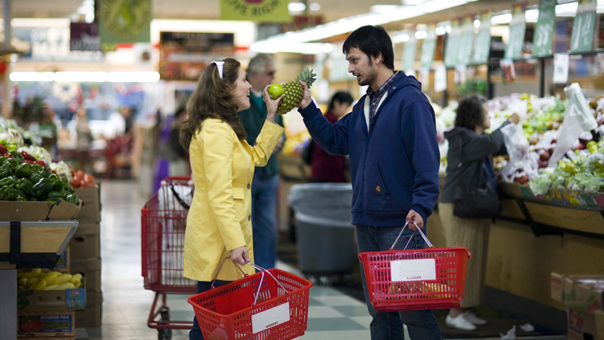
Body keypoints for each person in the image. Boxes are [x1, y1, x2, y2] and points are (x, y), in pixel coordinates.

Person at [296, 25, 443, 339]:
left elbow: (427, 160)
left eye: (355, 59)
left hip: (402, 224)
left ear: (377, 56)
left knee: (413, 310)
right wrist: (308, 108)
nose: (350, 68)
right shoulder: (364, 106)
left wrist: (422, 205)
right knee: (380, 312)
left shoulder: (411, 102)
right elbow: (335, 141)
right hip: (367, 220)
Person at [180, 58, 284, 340]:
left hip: (227, 244)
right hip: (220, 245)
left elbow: (258, 157)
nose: (249, 86)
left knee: (215, 323)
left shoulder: (226, 128)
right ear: (226, 88)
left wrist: (271, 115)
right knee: (210, 325)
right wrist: (236, 243)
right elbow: (219, 194)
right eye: (243, 80)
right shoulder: (215, 132)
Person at [439, 95, 520, 330]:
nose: (489, 115)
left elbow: (497, 145)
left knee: (474, 259)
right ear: (475, 115)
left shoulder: (476, 139)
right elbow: (493, 143)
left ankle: (466, 307)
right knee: (460, 261)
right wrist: (509, 122)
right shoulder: (463, 139)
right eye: (486, 111)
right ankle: (454, 313)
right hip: (458, 205)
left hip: (471, 204)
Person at [237, 54, 286, 270]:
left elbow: (279, 125)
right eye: (270, 73)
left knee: (268, 227)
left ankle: (266, 274)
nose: (274, 77)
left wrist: (279, 141)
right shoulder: (240, 97)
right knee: (246, 225)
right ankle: (248, 273)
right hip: (247, 171)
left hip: (269, 172)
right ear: (255, 73)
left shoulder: (274, 98)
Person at [308, 91, 354, 183]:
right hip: (328, 172)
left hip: (320, 170)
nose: (346, 110)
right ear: (336, 103)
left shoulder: (326, 119)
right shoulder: (331, 123)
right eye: (345, 106)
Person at [160, 107, 189, 176]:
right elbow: (178, 146)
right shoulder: (175, 131)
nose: (185, 118)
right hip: (178, 161)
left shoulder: (183, 131)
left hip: (185, 162)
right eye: (182, 116)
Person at [75, 107, 93, 173]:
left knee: (85, 161)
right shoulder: (80, 123)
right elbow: (87, 131)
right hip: (83, 145)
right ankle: (80, 173)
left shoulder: (84, 121)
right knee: (83, 161)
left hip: (85, 145)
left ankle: (83, 174)